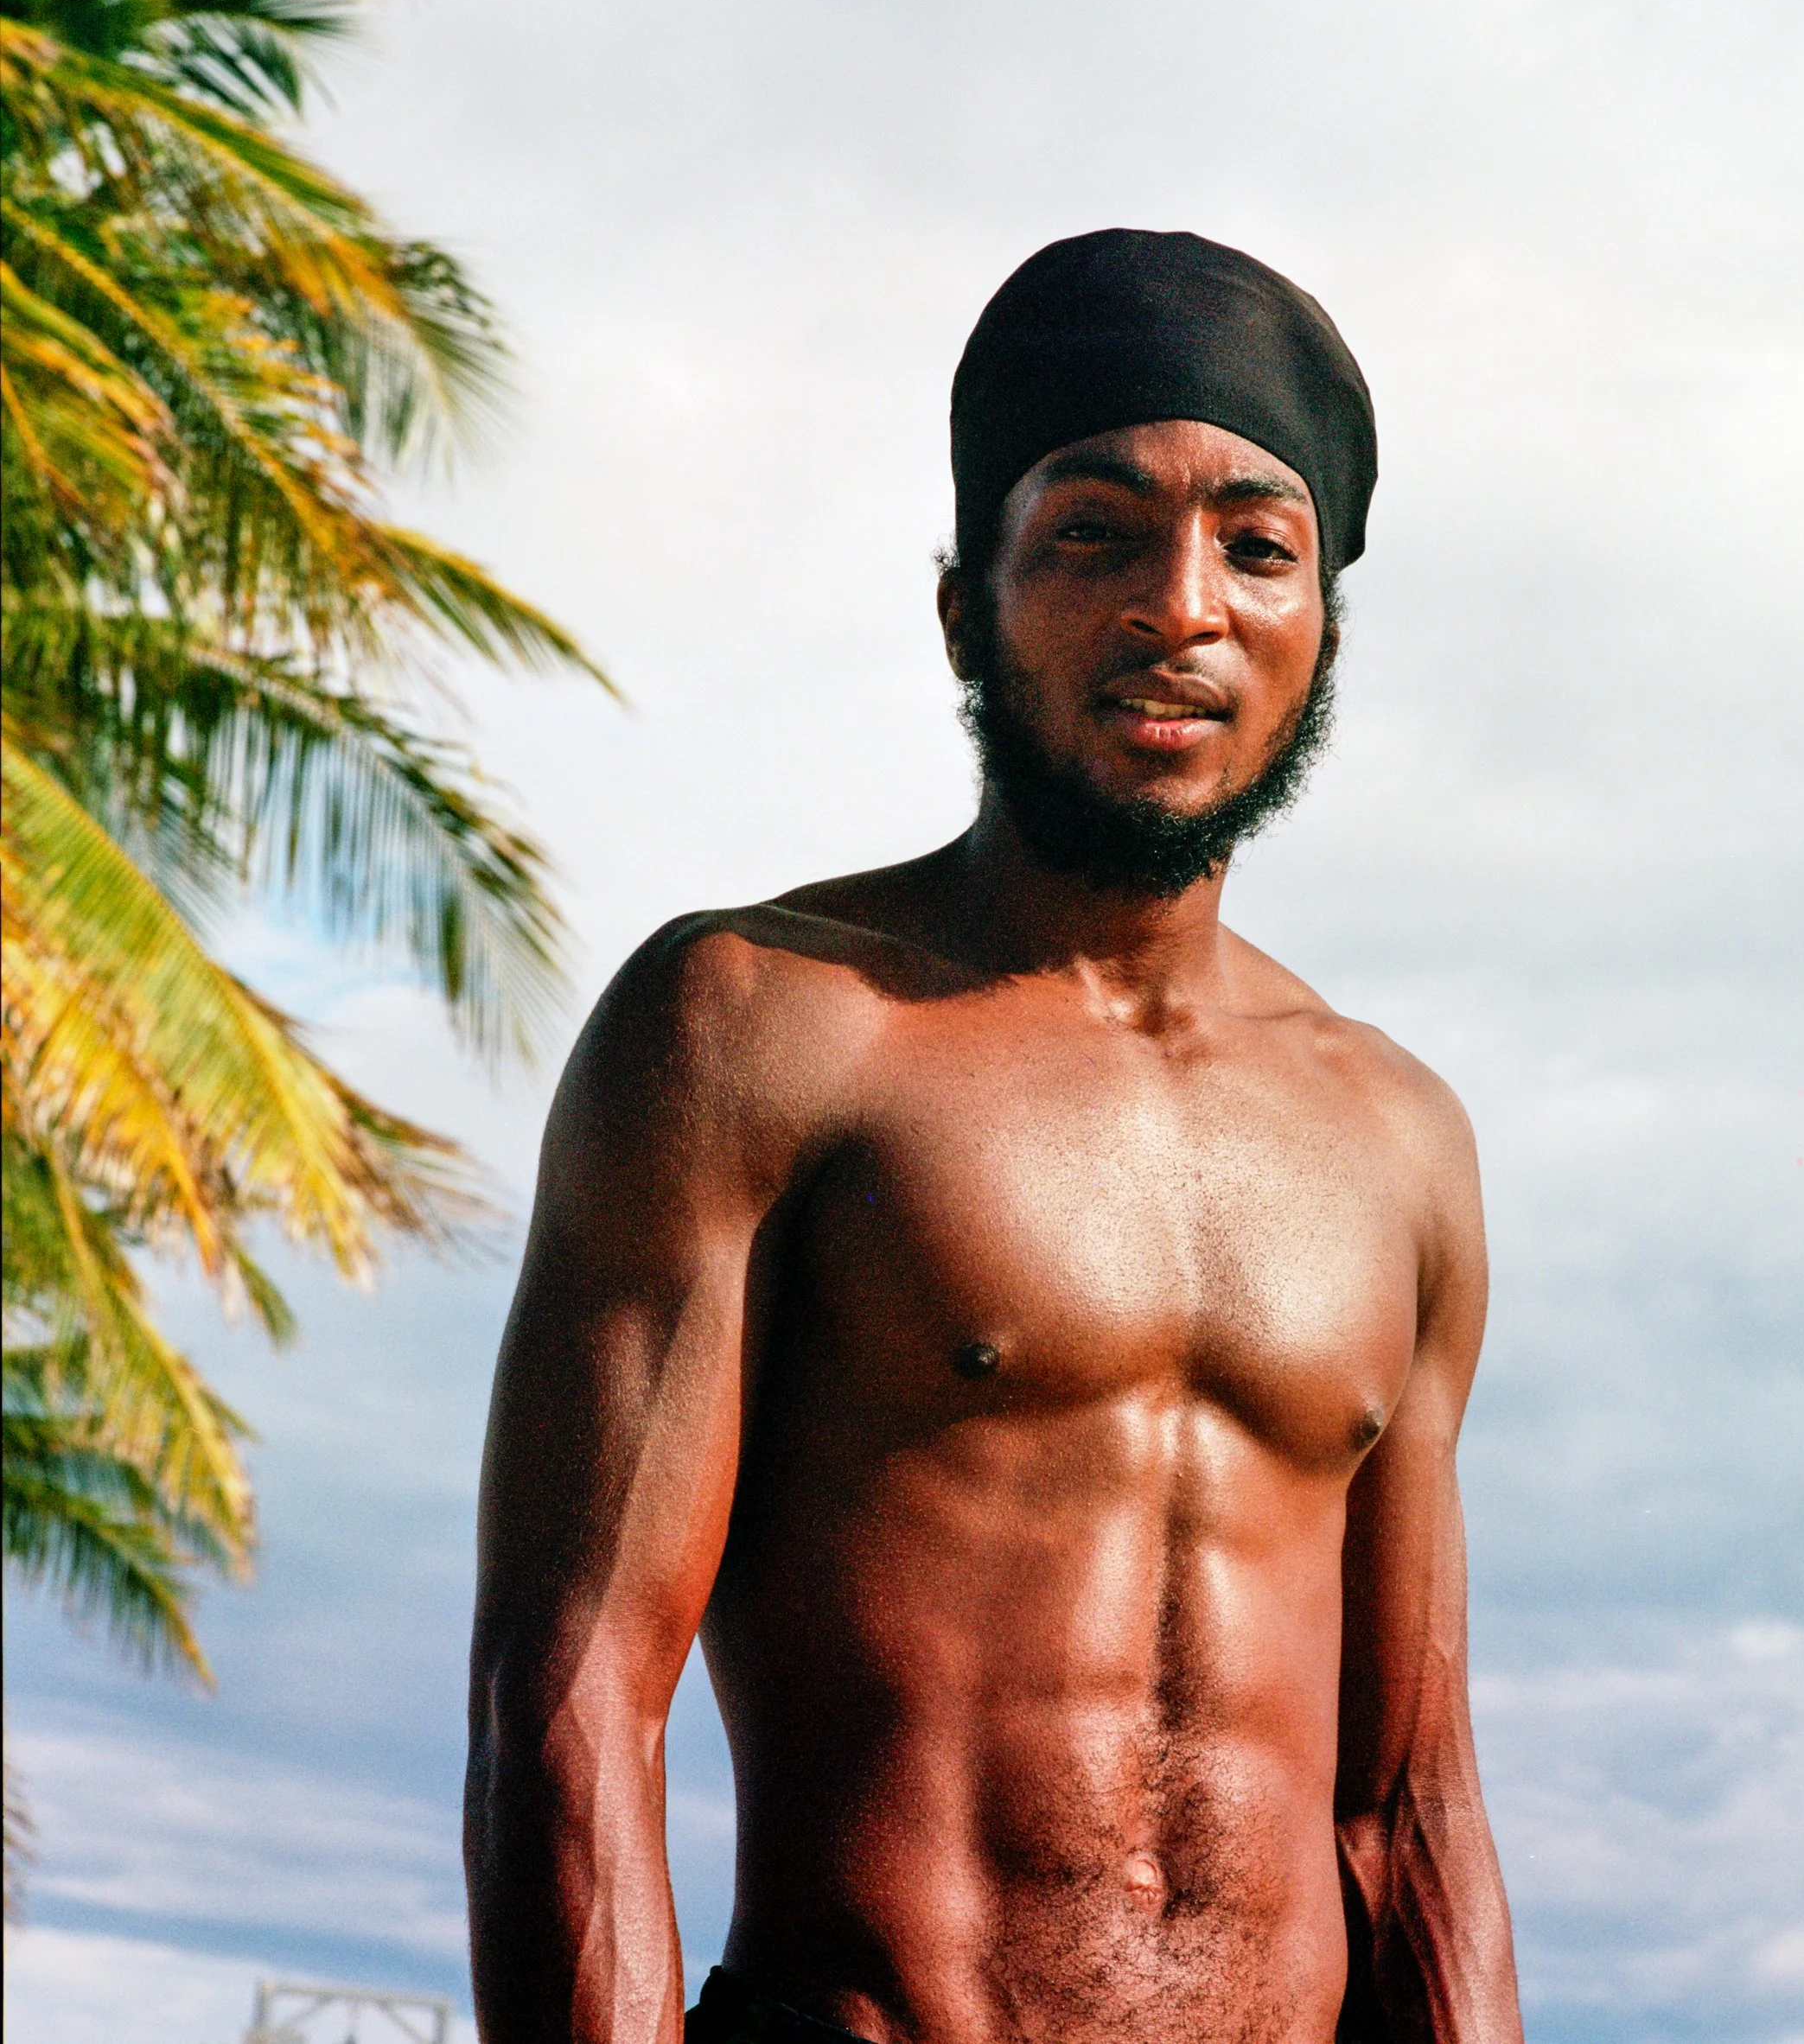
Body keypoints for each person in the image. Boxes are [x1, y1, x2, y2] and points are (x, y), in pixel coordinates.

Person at [465, 229, 1523, 2044]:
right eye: (1095, 533)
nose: (1178, 604)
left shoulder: (1395, 1137)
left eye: (1255, 546)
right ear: (967, 605)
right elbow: (571, 1695)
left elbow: (1406, 1809)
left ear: (1318, 630)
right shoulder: (757, 1022)